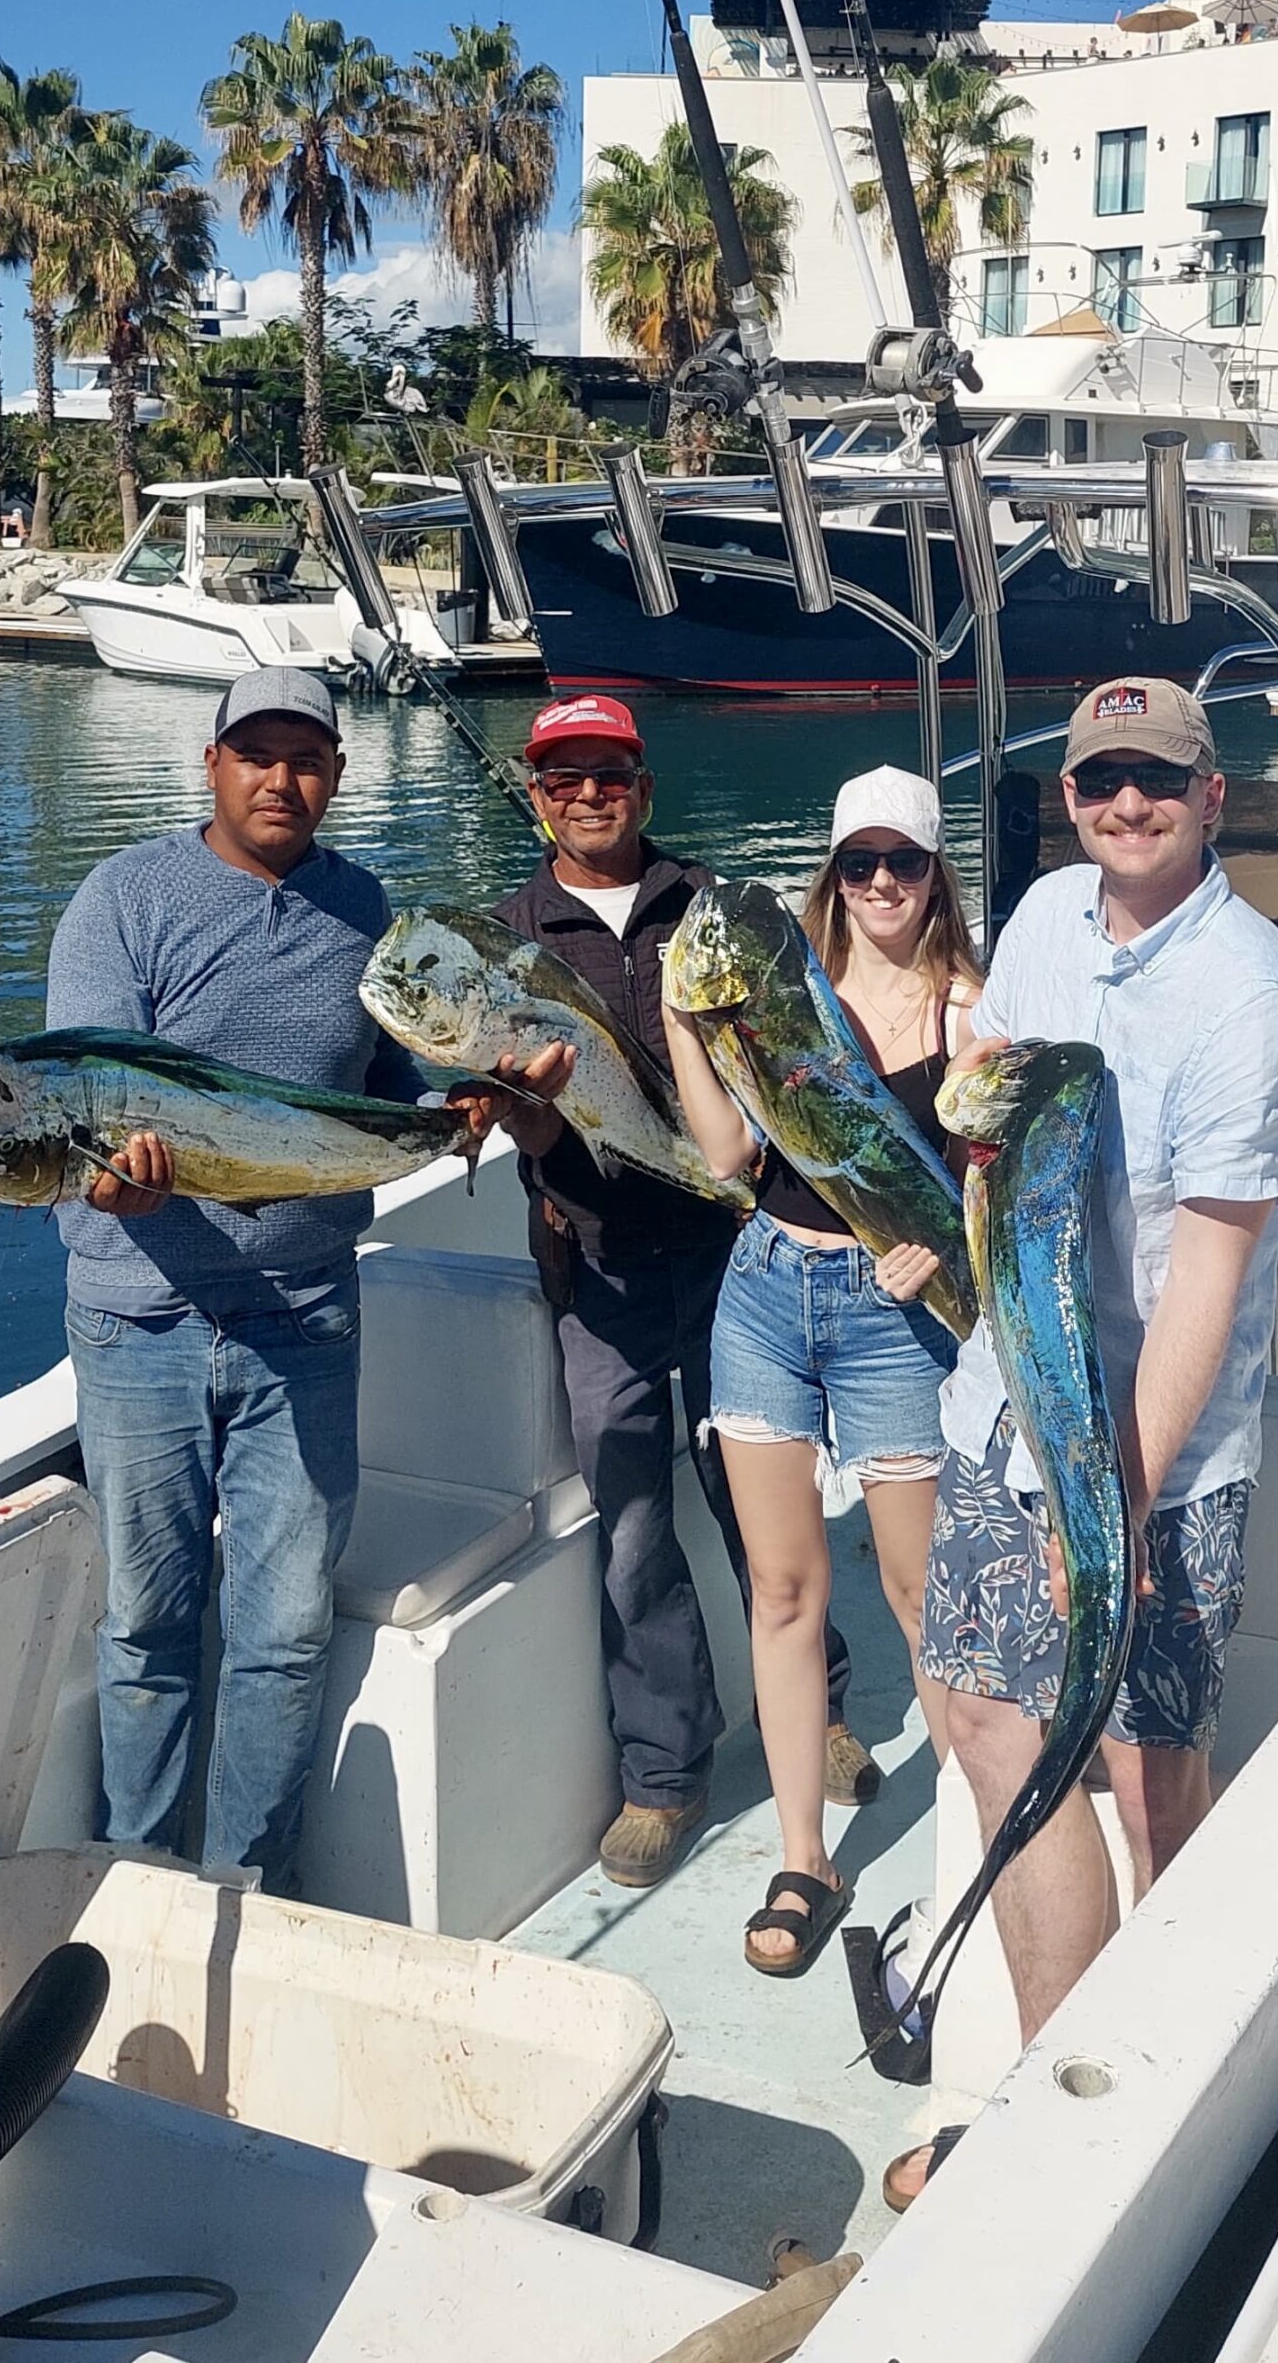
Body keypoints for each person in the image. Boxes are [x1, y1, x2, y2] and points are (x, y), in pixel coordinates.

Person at [887, 678, 1278, 2208]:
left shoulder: (1253, 999)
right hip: (999, 1406)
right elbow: (983, 1113)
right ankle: (1083, 2092)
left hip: (1153, 1452)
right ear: (1064, 798)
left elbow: (1207, 1274)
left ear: (1213, 800)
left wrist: (1109, 1513)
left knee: (1135, 1769)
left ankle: (1134, 2091)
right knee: (988, 1712)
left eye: (1155, 780)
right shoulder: (1044, 921)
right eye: (1097, 781)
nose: (1122, 803)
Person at [487, 695, 877, 1892]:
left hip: (734, 1256)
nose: (589, 794)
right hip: (593, 1265)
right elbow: (489, 1101)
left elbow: (796, 1045)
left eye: (611, 775)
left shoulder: (716, 909)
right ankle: (666, 1768)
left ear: (646, 788)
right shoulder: (506, 934)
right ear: (536, 793)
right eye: (565, 779)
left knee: (761, 1503)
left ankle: (817, 1709)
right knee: (634, 1524)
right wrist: (516, 1106)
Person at [46, 666, 425, 1897]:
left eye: (306, 756)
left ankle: (248, 1896)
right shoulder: (125, 897)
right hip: (136, 1315)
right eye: (255, 753)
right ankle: (137, 1891)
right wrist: (110, 1178)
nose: (281, 778)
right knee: (148, 1630)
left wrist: (480, 1097)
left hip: (305, 1311)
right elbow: (81, 1103)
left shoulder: (366, 909)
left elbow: (394, 1096)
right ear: (209, 764)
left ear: (337, 774)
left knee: (285, 1633)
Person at [664, 766, 981, 1976]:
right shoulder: (782, 991)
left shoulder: (965, 1009)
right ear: (833, 874)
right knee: (784, 1592)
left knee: (918, 1596)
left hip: (893, 1317)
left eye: (904, 862)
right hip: (763, 1292)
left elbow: (993, 1192)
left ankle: (979, 1835)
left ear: (935, 870)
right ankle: (805, 1855)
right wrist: (694, 1030)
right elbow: (731, 1152)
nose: (884, 884)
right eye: (861, 864)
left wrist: (942, 1241)